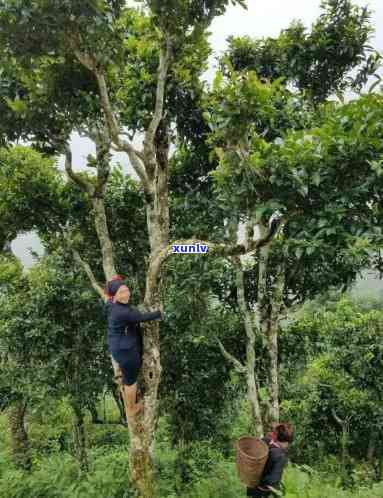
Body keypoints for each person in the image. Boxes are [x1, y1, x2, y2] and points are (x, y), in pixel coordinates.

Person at [105, 276, 162, 420]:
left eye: (126, 290)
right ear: (115, 296)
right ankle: (131, 408)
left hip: (116, 346)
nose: (126, 294)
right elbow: (142, 317)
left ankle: (123, 374)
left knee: (127, 376)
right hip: (126, 353)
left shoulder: (111, 303)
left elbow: (107, 296)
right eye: (121, 293)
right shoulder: (123, 312)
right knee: (131, 382)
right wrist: (159, 313)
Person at [247, 423, 294, 497]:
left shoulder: (266, 442)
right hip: (264, 491)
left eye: (274, 432)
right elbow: (272, 480)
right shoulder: (280, 455)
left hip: (254, 486)